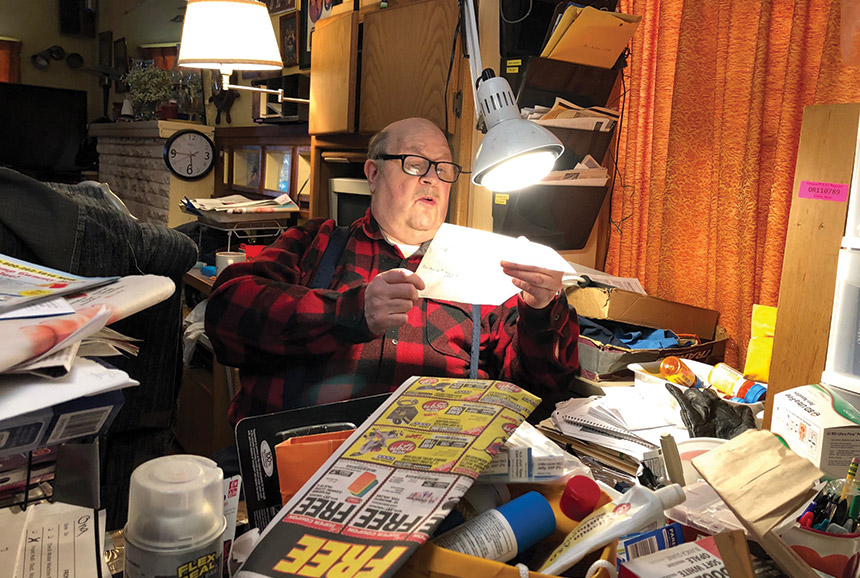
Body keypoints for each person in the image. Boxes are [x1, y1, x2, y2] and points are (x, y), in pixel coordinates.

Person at [205, 117, 580, 425]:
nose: (432, 178)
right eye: (415, 164)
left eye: (443, 169)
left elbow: (540, 393)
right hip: (302, 461)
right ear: (373, 173)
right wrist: (352, 313)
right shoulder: (316, 243)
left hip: (434, 470)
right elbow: (224, 318)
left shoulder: (484, 270)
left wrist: (543, 309)